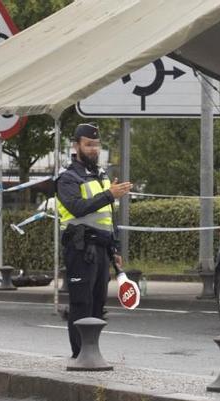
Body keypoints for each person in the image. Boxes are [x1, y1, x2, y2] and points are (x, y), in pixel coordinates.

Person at [55, 123, 132, 359]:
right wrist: (110, 194)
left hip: (100, 249)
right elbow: (77, 208)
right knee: (81, 303)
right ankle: (79, 354)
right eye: (88, 145)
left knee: (98, 304)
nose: (93, 149)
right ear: (76, 146)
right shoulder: (67, 179)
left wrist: (114, 248)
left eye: (96, 145)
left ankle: (92, 351)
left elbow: (108, 218)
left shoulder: (101, 177)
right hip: (80, 248)